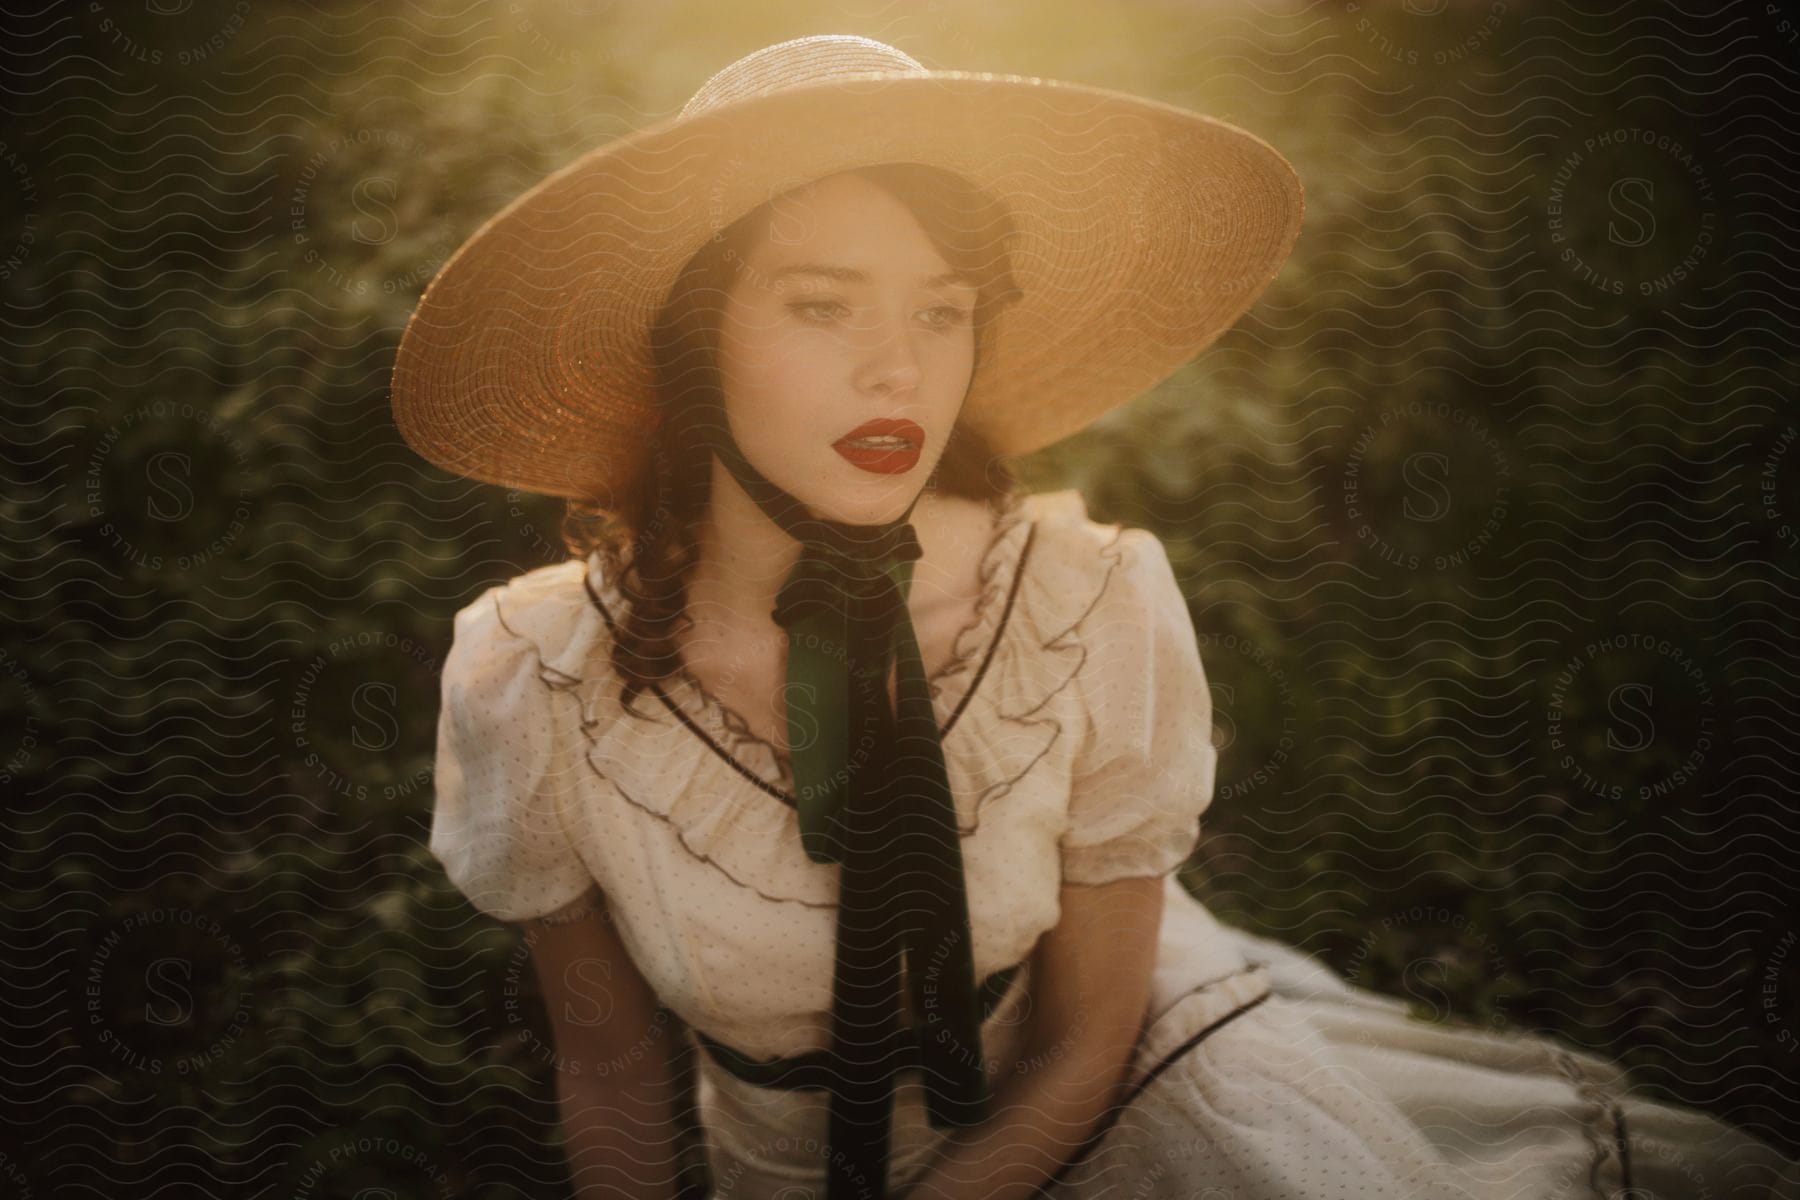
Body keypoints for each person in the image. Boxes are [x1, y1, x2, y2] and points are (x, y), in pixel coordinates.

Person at [392, 34, 1800, 1200]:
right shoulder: (537, 677)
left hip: (1109, 1109)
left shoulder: (1085, 604)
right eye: (823, 306)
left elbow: (1090, 1034)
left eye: (944, 312)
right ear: (692, 340)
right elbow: (615, 1072)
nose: (899, 368)